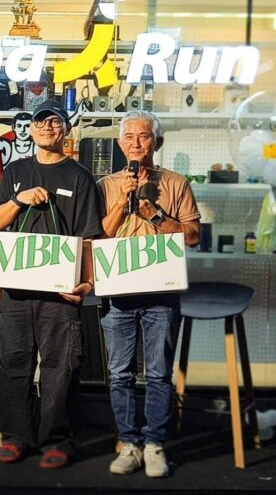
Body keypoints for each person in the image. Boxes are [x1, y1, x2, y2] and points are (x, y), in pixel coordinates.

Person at [0, 98, 104, 469]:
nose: (47, 127)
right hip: (17, 291)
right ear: (32, 128)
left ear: (66, 129)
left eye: (54, 122)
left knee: (60, 368)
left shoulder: (80, 177)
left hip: (60, 293)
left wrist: (88, 283)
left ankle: (57, 440)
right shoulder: (15, 171)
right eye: (41, 121)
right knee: (11, 363)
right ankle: (16, 436)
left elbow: (89, 237)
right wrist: (19, 200)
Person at [98, 110, 200, 478]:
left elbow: (192, 237)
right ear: (120, 143)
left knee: (158, 373)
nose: (136, 143)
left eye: (144, 136)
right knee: (119, 373)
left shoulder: (176, 183)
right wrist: (121, 200)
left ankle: (155, 444)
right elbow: (98, 235)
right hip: (118, 291)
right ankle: (129, 443)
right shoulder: (106, 184)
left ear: (157, 142)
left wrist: (154, 214)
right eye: (129, 137)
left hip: (161, 291)